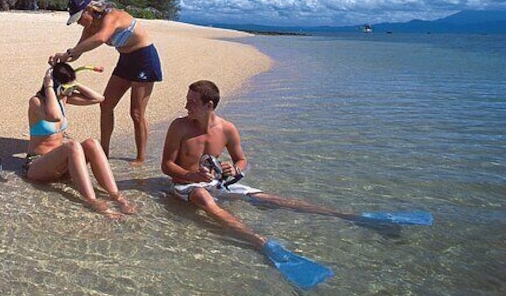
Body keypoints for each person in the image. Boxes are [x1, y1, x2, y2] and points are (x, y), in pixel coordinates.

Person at [162, 80, 432, 249]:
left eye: (192, 103)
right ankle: (260, 242)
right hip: (189, 184)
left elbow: (241, 159)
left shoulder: (227, 128)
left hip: (217, 180)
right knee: (203, 196)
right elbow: (166, 167)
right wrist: (191, 174)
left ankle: (353, 218)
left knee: (268, 198)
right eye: (187, 102)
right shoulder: (180, 126)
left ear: (209, 105)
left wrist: (238, 170)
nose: (186, 106)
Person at [50, 0, 162, 166]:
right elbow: (77, 53)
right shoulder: (89, 26)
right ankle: (104, 151)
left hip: (144, 59)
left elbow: (101, 38)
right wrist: (62, 57)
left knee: (136, 113)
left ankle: (140, 157)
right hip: (125, 61)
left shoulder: (112, 16)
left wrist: (70, 52)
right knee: (106, 104)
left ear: (89, 9)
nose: (79, 23)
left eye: (79, 18)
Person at [25, 62, 135, 218]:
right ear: (55, 85)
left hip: (62, 167)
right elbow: (54, 116)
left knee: (92, 143)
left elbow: (99, 98)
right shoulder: (36, 102)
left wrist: (76, 85)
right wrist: (49, 86)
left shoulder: (63, 99)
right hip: (37, 166)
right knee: (72, 146)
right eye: (65, 86)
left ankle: (116, 195)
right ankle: (93, 201)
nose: (67, 91)